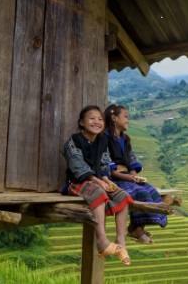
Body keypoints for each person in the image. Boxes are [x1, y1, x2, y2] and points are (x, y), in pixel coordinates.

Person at [61, 105, 133, 265]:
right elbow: (78, 168)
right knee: (98, 192)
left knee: (122, 195)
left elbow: (104, 164)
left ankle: (121, 240)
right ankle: (101, 240)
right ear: (81, 122)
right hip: (77, 182)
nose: (97, 122)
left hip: (98, 180)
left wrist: (107, 181)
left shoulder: (102, 140)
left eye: (100, 119)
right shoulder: (73, 142)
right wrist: (100, 182)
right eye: (92, 118)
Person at [104, 104, 167, 244]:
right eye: (125, 117)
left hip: (127, 176)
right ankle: (136, 230)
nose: (128, 120)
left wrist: (134, 176)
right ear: (114, 118)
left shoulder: (125, 139)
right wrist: (129, 177)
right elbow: (106, 165)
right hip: (112, 178)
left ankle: (136, 227)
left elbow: (131, 160)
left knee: (150, 190)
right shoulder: (104, 137)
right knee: (139, 193)